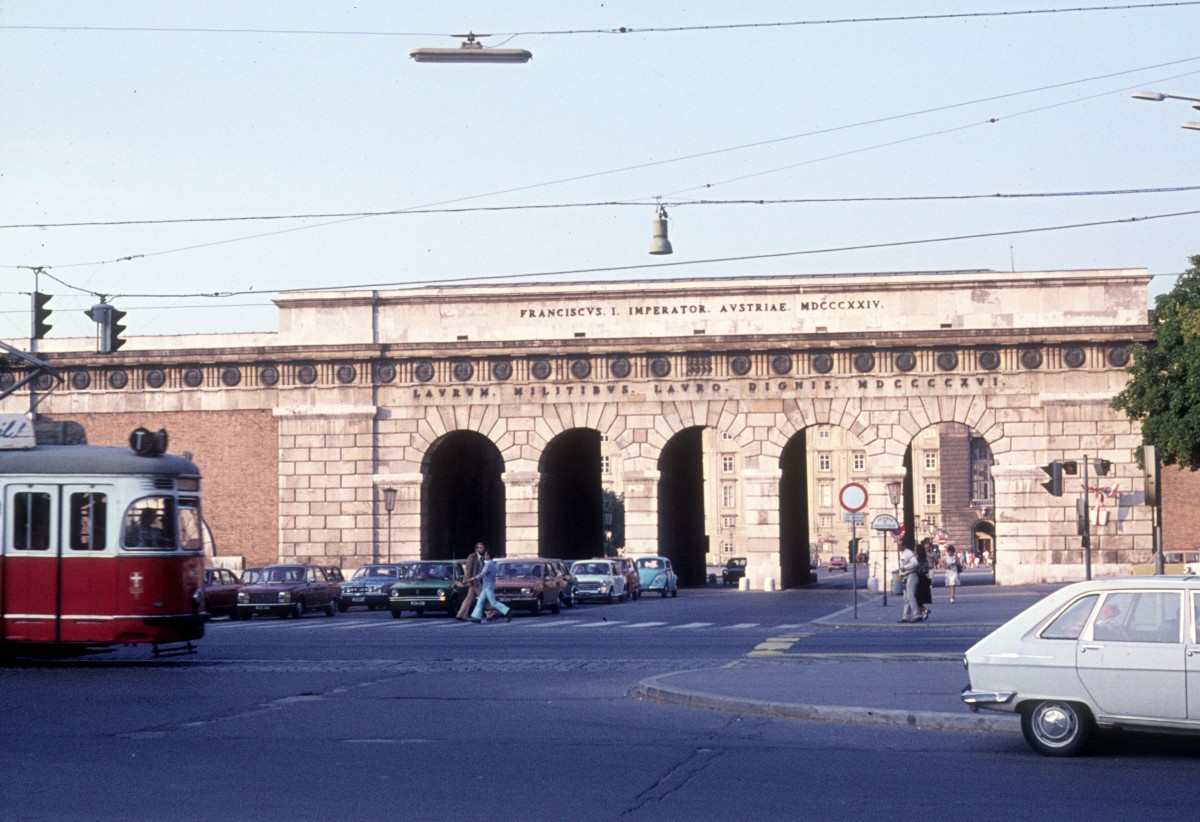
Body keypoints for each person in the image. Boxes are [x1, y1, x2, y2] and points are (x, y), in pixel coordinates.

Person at [470, 550, 512, 623]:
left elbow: (483, 573)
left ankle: (507, 611)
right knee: (480, 601)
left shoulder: (488, 564)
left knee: (493, 602)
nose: (484, 556)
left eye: (485, 555)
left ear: (488, 556)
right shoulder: (492, 564)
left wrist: (474, 578)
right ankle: (477, 617)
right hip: (487, 586)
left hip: (488, 586)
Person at [456, 542, 487, 621]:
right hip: (474, 581)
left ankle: (461, 615)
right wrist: (468, 579)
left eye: (483, 548)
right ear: (476, 549)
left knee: (469, 599)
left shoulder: (482, 558)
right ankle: (490, 614)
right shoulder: (472, 556)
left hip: (478, 581)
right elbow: (468, 568)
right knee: (484, 597)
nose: (482, 549)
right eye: (480, 548)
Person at [898, 539, 920, 623]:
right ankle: (905, 616)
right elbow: (901, 567)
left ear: (904, 546)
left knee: (910, 595)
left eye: (900, 545)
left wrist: (905, 567)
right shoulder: (903, 554)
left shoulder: (909, 553)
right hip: (905, 576)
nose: (898, 547)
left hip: (911, 575)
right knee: (906, 598)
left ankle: (916, 614)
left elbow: (915, 563)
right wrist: (900, 577)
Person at [915, 540, 933, 621]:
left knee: (917, 598)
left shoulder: (917, 560)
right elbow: (926, 570)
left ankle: (924, 610)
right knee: (920, 599)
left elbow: (918, 570)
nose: (914, 551)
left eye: (915, 550)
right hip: (924, 579)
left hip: (919, 579)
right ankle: (920, 615)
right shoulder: (925, 559)